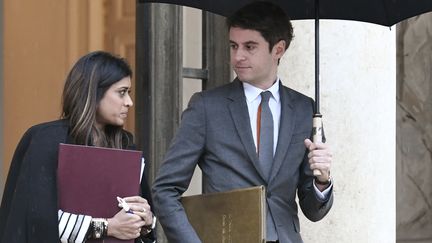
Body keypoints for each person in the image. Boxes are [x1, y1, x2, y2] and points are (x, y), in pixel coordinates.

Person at [152, 1, 333, 243]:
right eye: (233, 46)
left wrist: (322, 180)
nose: (238, 56)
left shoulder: (304, 109)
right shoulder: (207, 107)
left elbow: (313, 209)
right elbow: (165, 190)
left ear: (278, 49)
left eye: (250, 47)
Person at [0, 51, 156, 243]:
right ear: (94, 92)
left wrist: (146, 221)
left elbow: (141, 229)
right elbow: (35, 220)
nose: (129, 102)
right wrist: (106, 227)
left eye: (129, 93)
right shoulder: (46, 139)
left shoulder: (126, 145)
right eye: (121, 92)